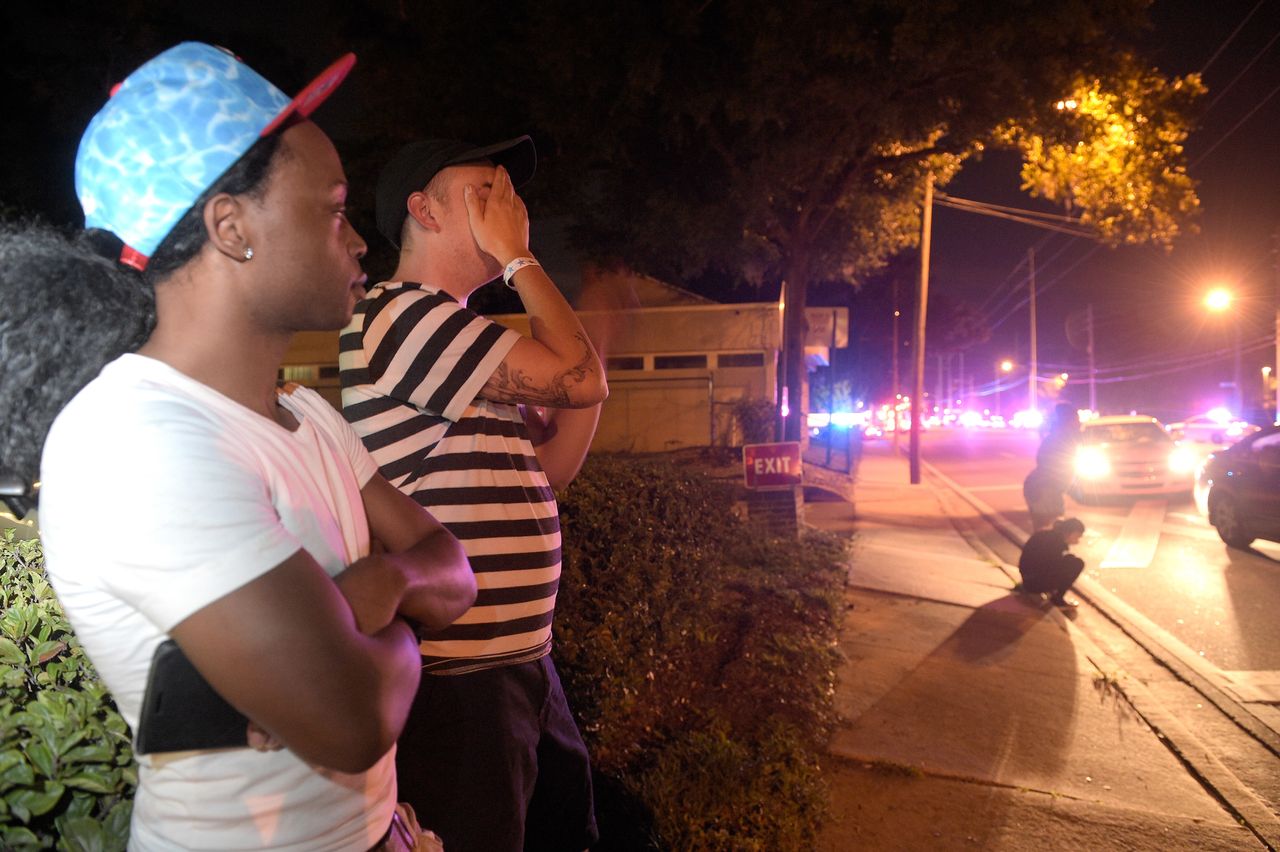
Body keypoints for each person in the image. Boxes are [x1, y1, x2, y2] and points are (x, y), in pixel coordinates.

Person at [33, 43, 476, 850]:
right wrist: (380, 612)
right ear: (231, 229)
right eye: (332, 210)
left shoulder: (309, 416)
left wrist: (378, 587)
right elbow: (354, 717)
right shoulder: (133, 440)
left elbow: (455, 573)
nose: (358, 243)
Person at [339, 135, 609, 851]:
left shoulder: (458, 337)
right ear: (422, 210)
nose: (509, 209)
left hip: (518, 668)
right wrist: (523, 261)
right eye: (485, 193)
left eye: (509, 195)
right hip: (461, 688)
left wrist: (587, 373)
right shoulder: (403, 317)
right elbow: (578, 378)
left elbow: (547, 471)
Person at [1024, 402, 1081, 529]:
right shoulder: (1059, 439)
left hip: (1047, 490)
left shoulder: (1061, 437)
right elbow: (1051, 467)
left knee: (1049, 532)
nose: (1079, 422)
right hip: (1044, 491)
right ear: (1067, 421)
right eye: (1076, 418)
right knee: (1048, 532)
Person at [1018, 517, 1086, 608]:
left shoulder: (1045, 535)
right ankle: (1057, 599)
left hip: (1027, 580)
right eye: (1077, 536)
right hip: (1034, 585)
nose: (1077, 541)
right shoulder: (1056, 543)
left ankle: (1052, 593)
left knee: (1069, 560)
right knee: (1077, 564)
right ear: (1071, 533)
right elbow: (1051, 567)